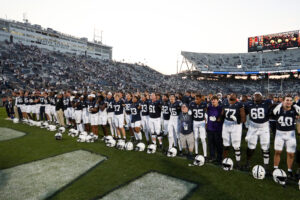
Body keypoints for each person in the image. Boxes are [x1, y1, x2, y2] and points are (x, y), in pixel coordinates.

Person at [273, 94, 300, 178]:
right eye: (287, 100)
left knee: (291, 154)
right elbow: (274, 112)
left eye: (290, 100)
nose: (289, 102)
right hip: (279, 133)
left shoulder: (295, 109)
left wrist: (295, 105)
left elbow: (299, 118)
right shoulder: (278, 109)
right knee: (278, 152)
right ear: (283, 101)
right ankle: (275, 168)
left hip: (290, 134)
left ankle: (289, 170)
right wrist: (280, 104)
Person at [244, 92, 272, 171]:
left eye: (258, 95)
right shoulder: (248, 104)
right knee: (251, 146)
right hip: (253, 127)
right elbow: (244, 113)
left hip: (264, 127)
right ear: (253, 97)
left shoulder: (267, 103)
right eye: (255, 95)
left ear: (262, 97)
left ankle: (266, 165)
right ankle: (248, 162)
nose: (256, 97)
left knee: (265, 147)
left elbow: (272, 110)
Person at [221, 93, 246, 169]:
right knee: (225, 145)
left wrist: (237, 120)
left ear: (236, 98)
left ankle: (238, 163)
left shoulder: (239, 105)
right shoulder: (225, 103)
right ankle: (224, 160)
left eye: (233, 96)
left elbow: (243, 119)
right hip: (226, 124)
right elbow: (222, 114)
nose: (231, 97)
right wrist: (217, 119)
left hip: (236, 126)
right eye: (230, 96)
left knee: (236, 146)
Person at [189, 94, 207, 158]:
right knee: (196, 138)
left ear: (200, 99)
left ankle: (205, 155)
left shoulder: (204, 104)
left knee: (203, 139)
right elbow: (190, 112)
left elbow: (206, 112)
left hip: (202, 122)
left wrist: (206, 121)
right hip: (195, 122)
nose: (195, 100)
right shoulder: (192, 104)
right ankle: (196, 152)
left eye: (197, 99)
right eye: (195, 99)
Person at [206, 95, 223, 164]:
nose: (213, 101)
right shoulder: (209, 107)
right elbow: (206, 116)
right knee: (211, 144)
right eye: (212, 100)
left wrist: (217, 119)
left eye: (214, 100)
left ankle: (219, 158)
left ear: (217, 100)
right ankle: (212, 156)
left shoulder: (220, 108)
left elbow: (222, 117)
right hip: (210, 128)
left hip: (217, 128)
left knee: (218, 144)